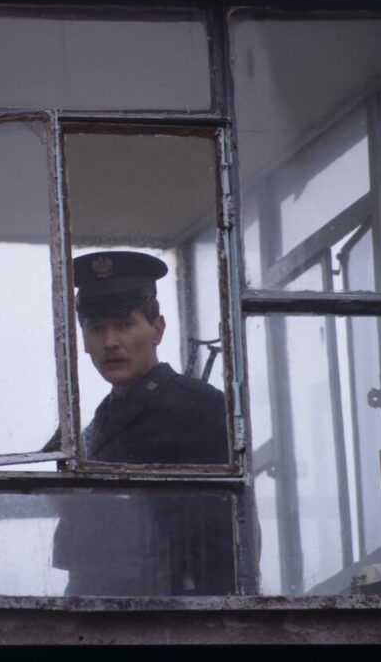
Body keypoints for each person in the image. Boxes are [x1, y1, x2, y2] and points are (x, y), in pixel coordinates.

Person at [51, 250, 236, 596]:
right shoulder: (100, 422)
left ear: (157, 329)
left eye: (124, 324)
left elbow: (224, 539)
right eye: (96, 328)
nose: (110, 342)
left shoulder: (198, 407)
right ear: (85, 341)